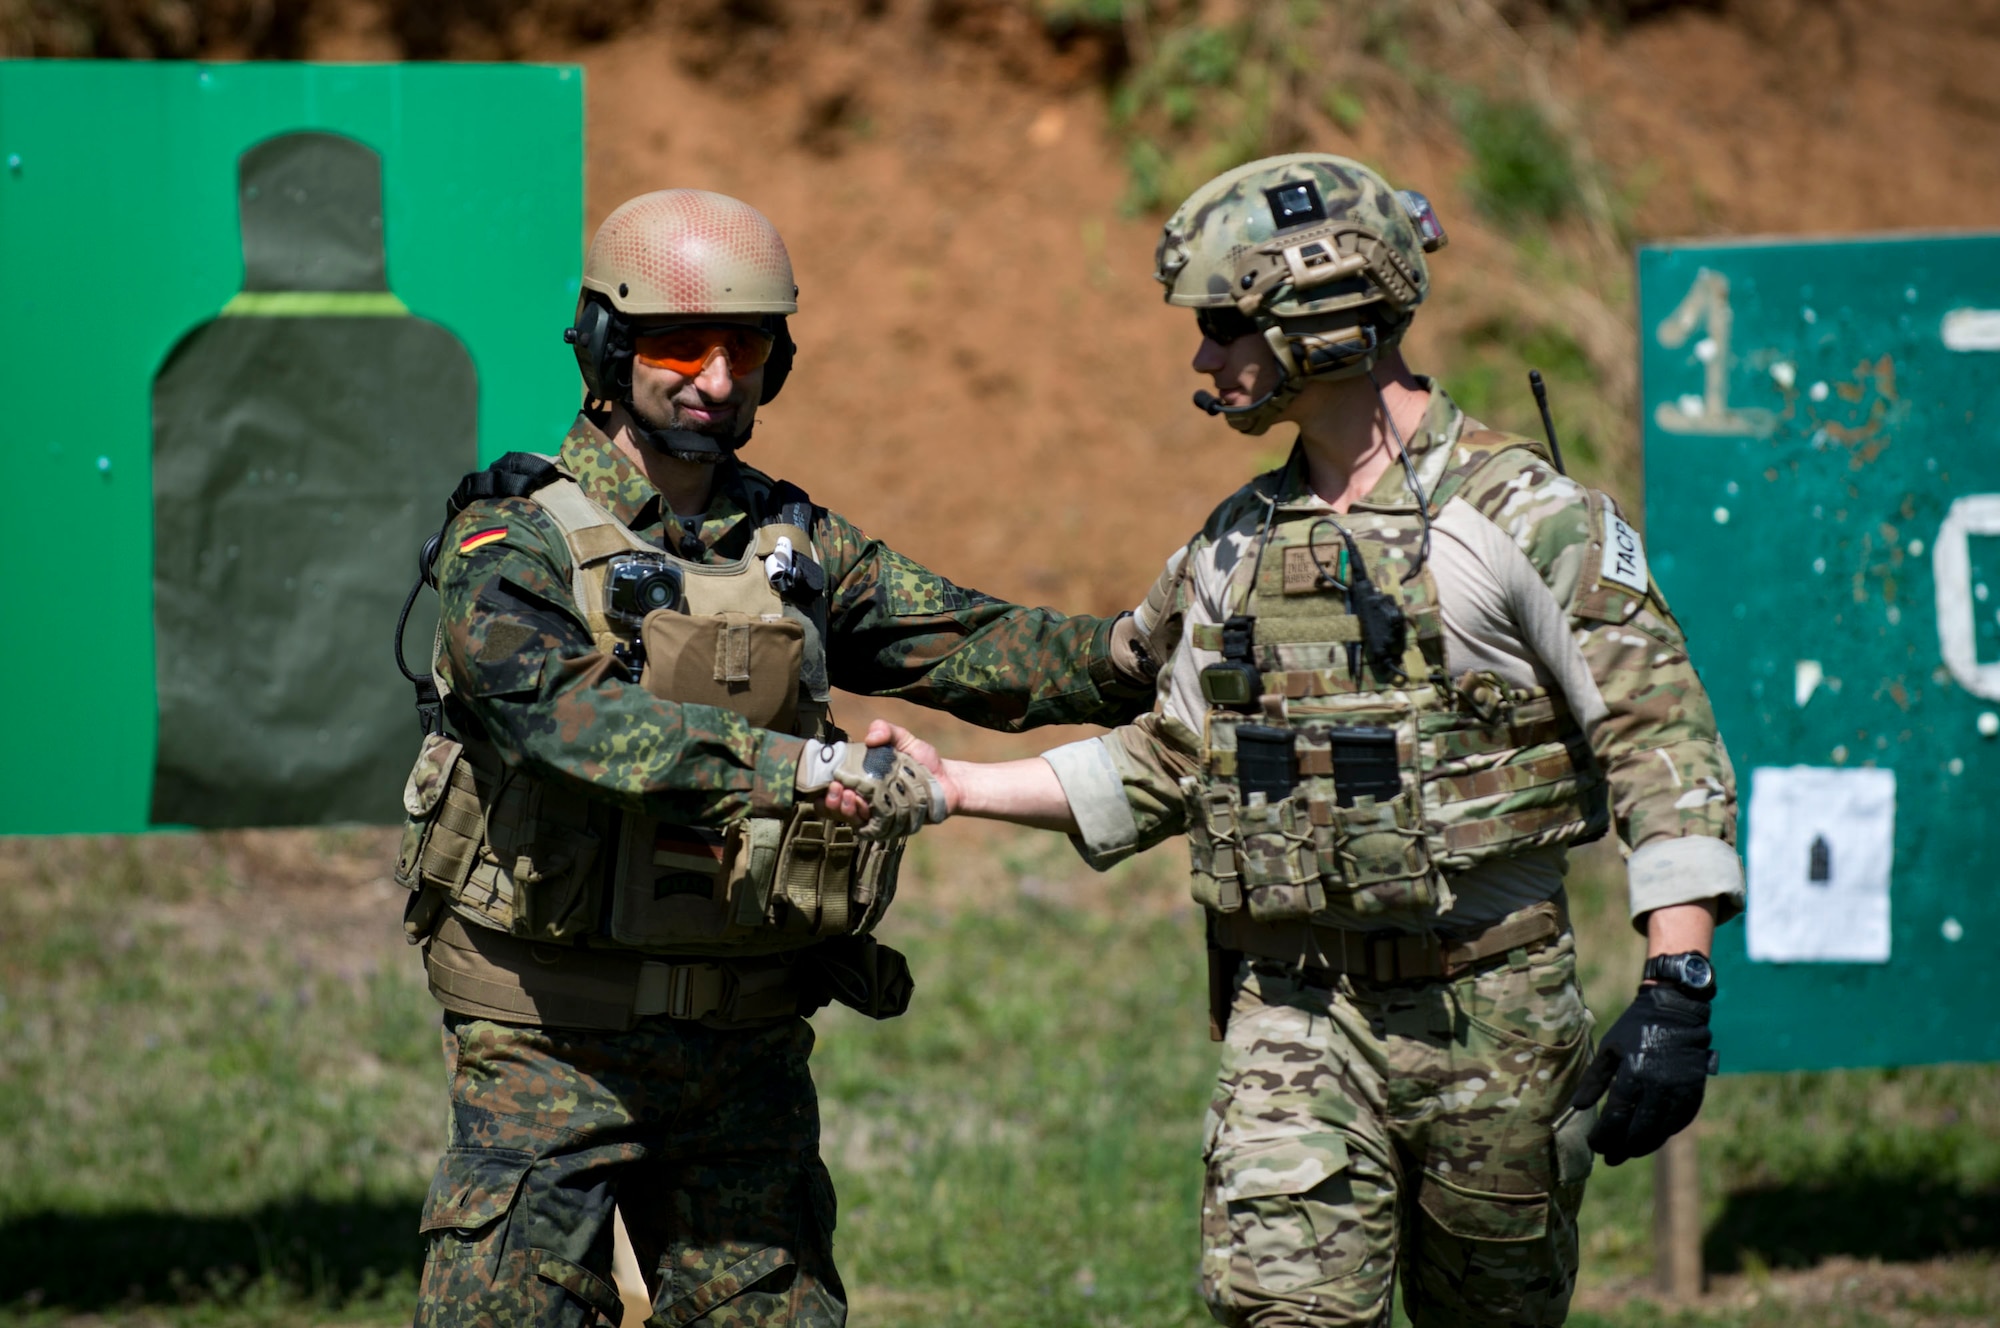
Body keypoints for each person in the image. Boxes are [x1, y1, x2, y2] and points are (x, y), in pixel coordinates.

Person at [870, 154, 1741, 1326]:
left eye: (1222, 324)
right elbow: (1172, 755)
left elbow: (1659, 741)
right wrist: (952, 786)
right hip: (1292, 1010)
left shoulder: (1523, 517)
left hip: (1494, 1011)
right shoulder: (1230, 549)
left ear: (1319, 313)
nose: (1198, 357)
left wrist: (1676, 981)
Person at [392, 188, 1153, 1328]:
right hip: (547, 1044)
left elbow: (973, 644)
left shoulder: (796, 547)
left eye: (741, 344)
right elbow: (557, 717)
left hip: (743, 1046)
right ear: (607, 347)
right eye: (676, 344)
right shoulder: (513, 541)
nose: (711, 376)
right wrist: (795, 771)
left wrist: (1145, 643)